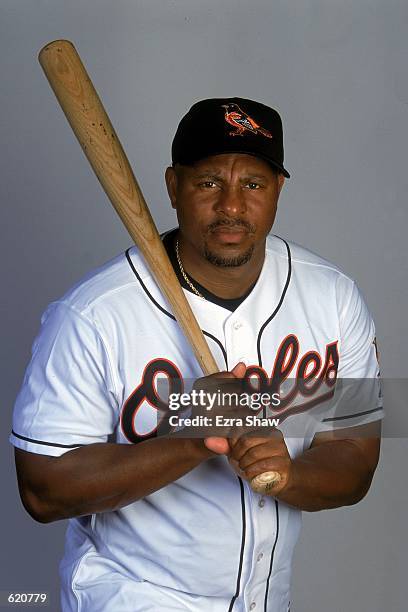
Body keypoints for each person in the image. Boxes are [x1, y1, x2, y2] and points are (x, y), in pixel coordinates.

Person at [11, 97, 382, 612]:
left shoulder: (335, 297)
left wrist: (292, 475)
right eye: (209, 182)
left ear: (277, 190)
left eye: (252, 183)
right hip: (133, 594)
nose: (231, 206)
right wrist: (195, 437)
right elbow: (42, 489)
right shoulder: (92, 314)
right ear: (173, 187)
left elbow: (356, 458)